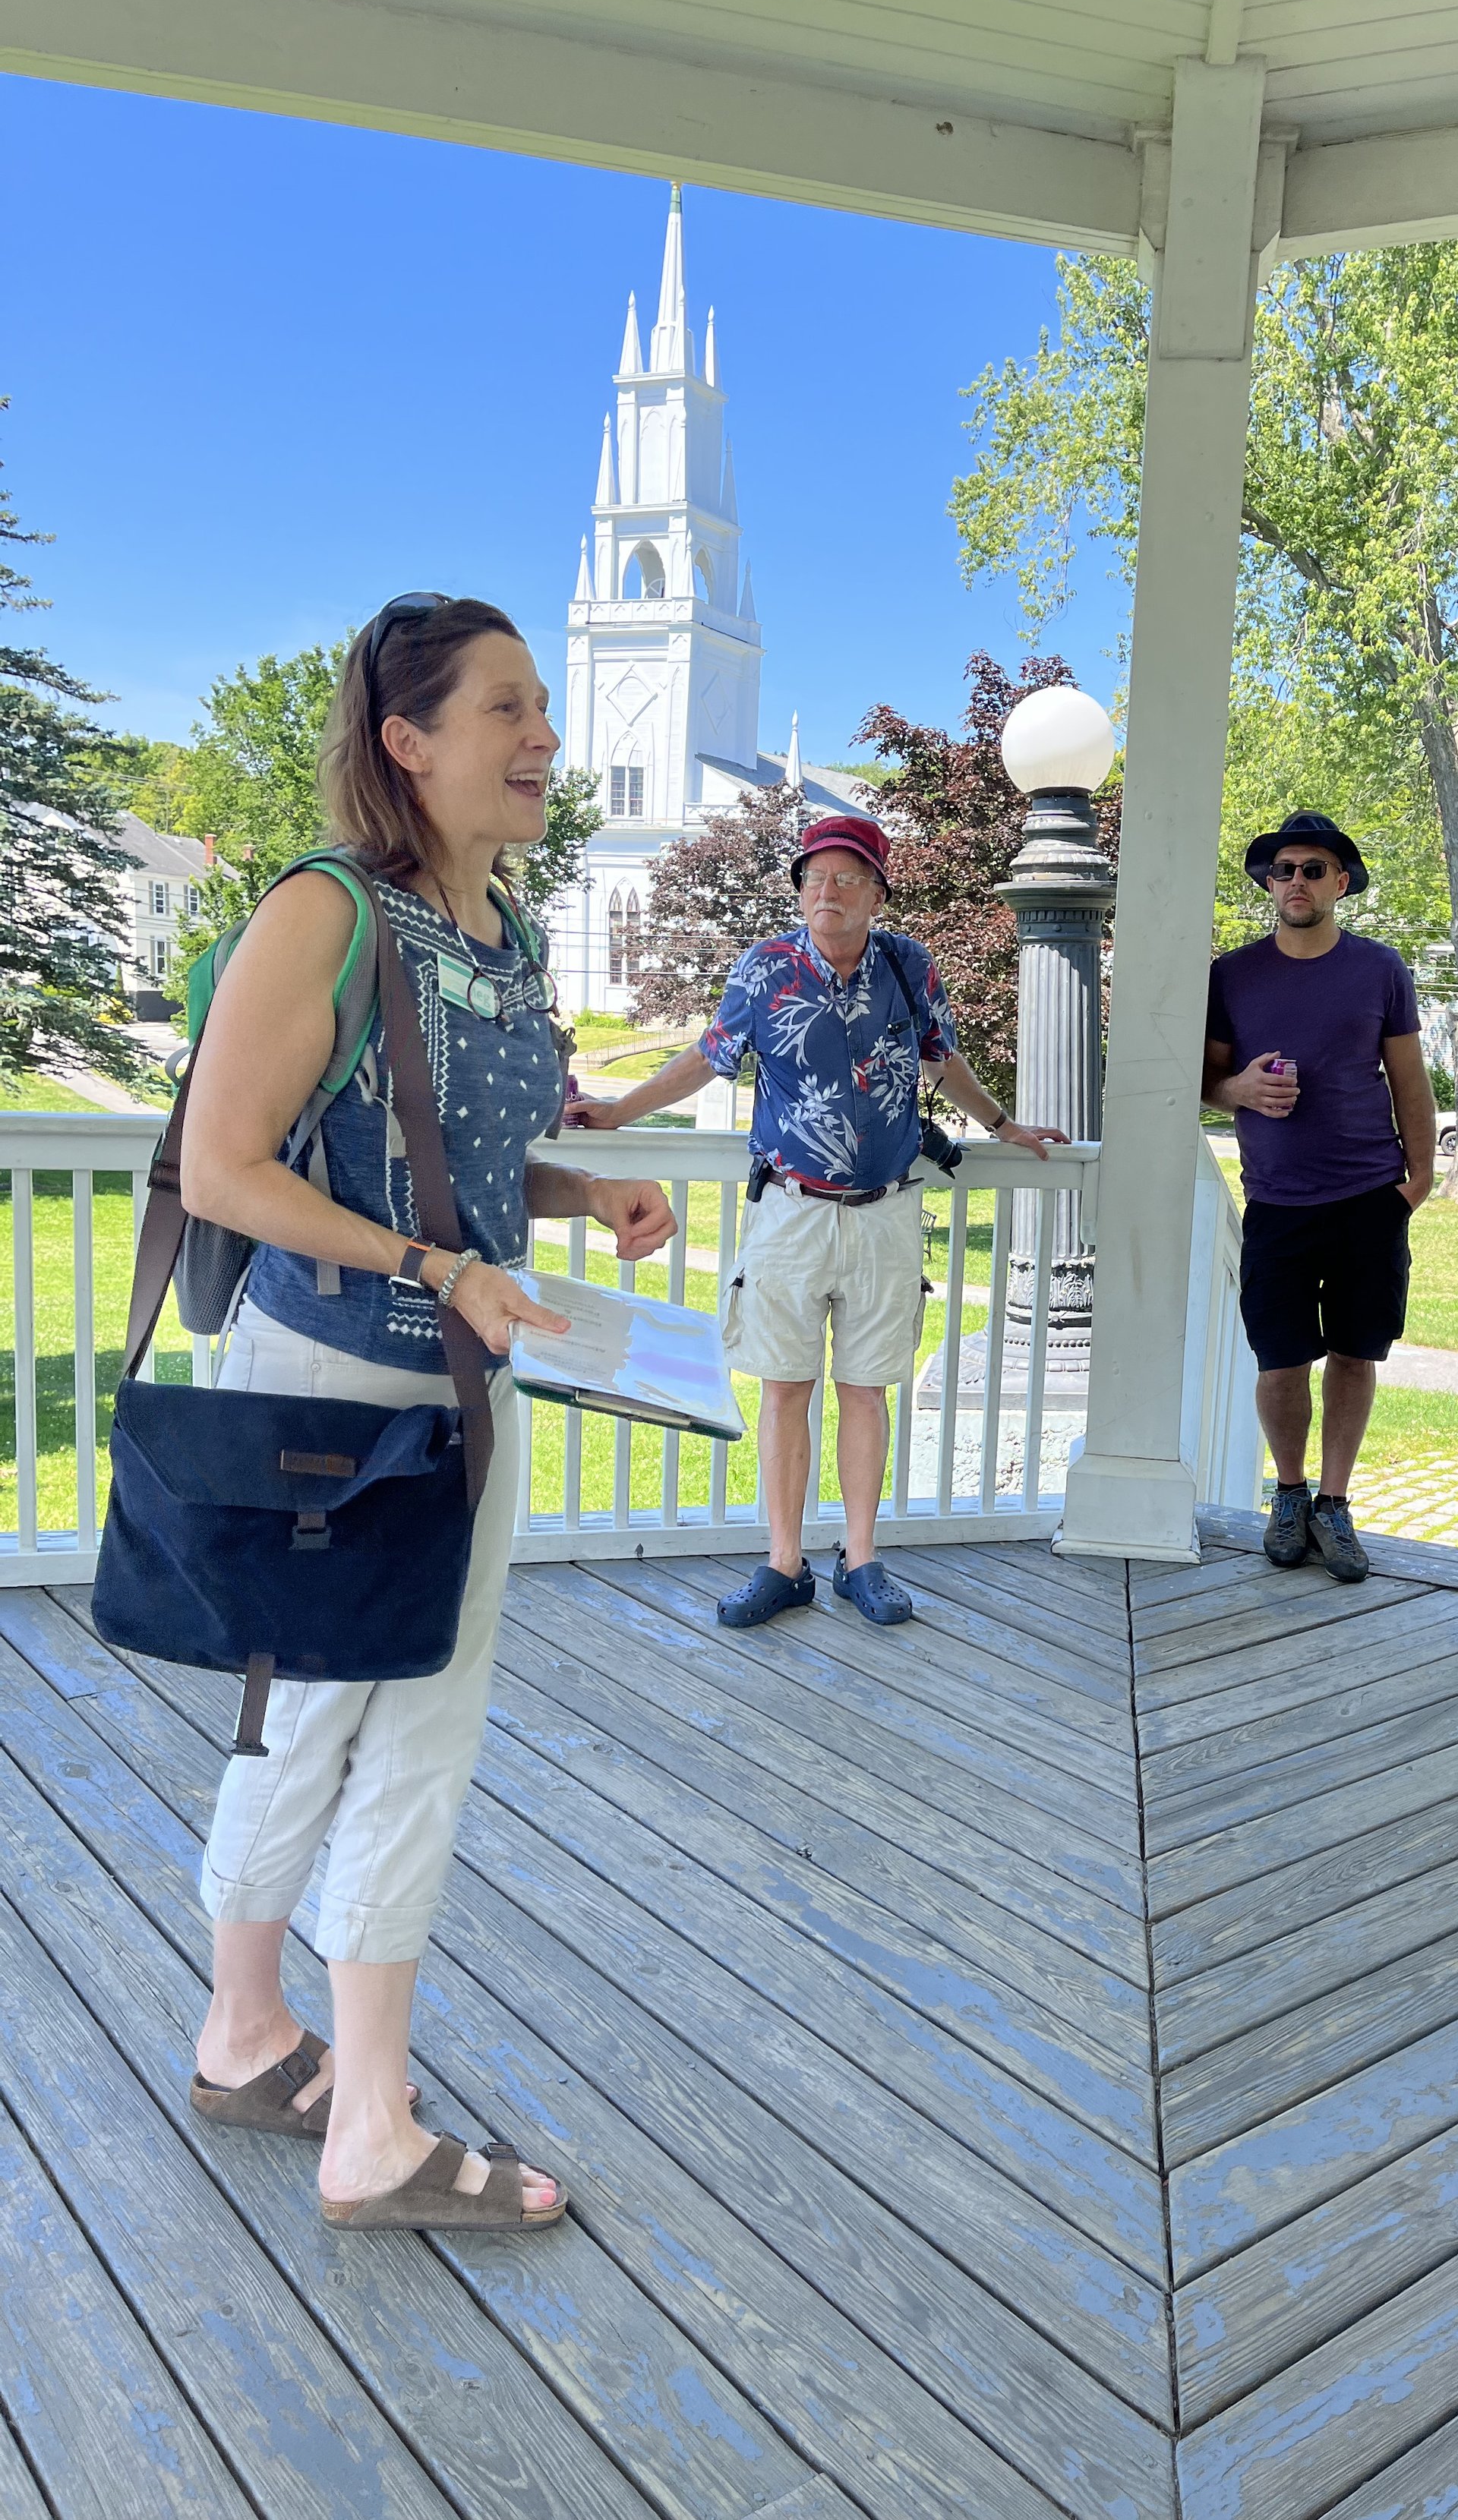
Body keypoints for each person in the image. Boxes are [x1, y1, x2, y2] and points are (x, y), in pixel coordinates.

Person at [183, 593, 677, 2231]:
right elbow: (223, 1168)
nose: (547, 738)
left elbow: (457, 1159)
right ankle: (362, 2120)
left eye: (544, 707)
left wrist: (577, 1185)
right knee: (328, 1717)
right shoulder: (325, 914)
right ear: (408, 741)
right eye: (508, 711)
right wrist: (431, 1262)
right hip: (328, 1382)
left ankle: (255, 2039)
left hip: (460, 1380)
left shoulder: (505, 937)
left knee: (394, 1721)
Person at [568, 812, 1065, 1626]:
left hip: (885, 1214)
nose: (824, 892)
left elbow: (940, 1059)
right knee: (785, 1389)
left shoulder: (908, 965)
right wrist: (618, 1113)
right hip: (791, 1214)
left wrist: (1004, 1124)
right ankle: (784, 1563)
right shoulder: (766, 969)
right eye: (812, 878)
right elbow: (708, 1056)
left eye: (844, 879)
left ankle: (861, 1561)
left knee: (866, 1392)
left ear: (876, 892)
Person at [1201, 810, 1437, 1581]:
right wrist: (1238, 1088)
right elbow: (1205, 1082)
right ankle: (1290, 1494)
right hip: (1276, 1200)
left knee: (1353, 1354)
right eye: (1282, 870)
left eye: (1312, 869)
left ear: (1340, 883)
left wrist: (1420, 1179)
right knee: (1278, 1361)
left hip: (1370, 1194)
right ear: (1268, 884)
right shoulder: (1231, 975)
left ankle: (1334, 1504)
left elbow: (1409, 1081)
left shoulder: (1379, 969)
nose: (1295, 880)